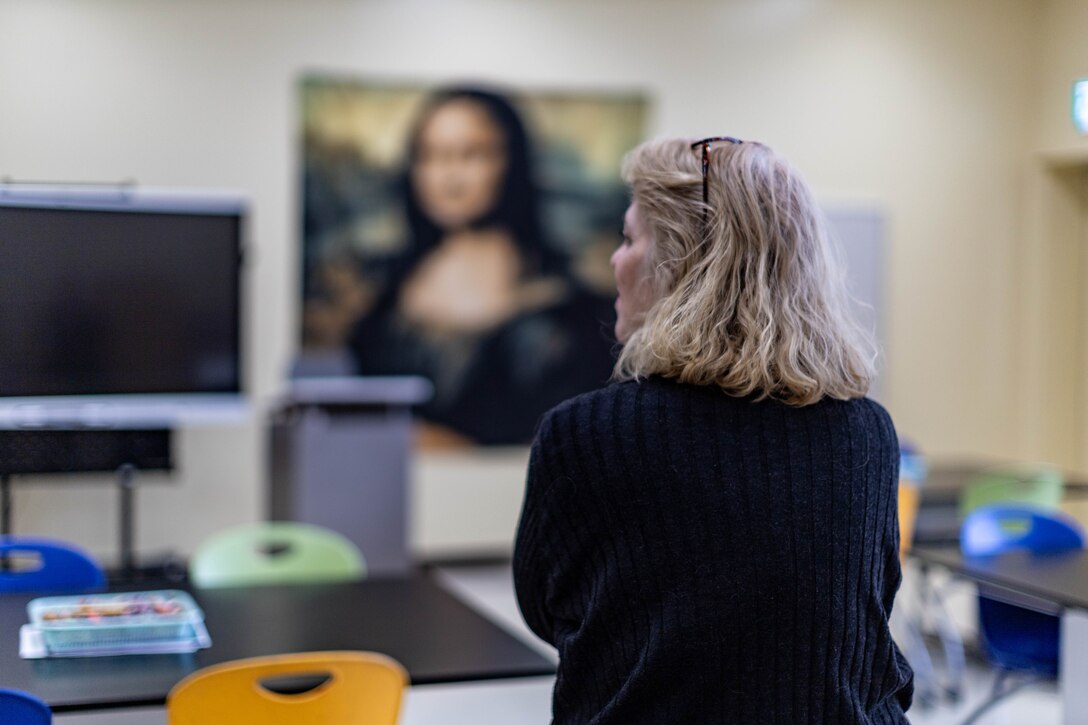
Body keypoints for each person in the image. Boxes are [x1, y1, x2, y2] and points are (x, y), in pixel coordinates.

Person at [513, 137, 913, 723]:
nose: (614, 262)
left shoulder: (584, 435)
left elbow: (547, 610)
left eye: (628, 239)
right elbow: (867, 610)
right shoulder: (867, 432)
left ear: (674, 263)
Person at [347, 87, 615, 446]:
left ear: (511, 161)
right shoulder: (382, 292)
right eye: (431, 156)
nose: (449, 175)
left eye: (471, 154)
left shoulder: (565, 301)